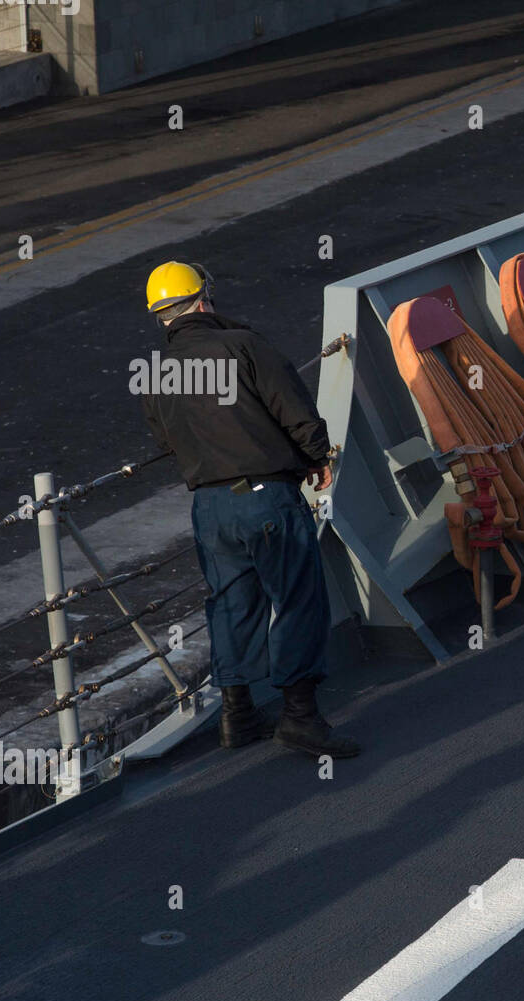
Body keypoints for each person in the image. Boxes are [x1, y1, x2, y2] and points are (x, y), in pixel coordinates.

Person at [137, 261, 359, 759]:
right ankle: (300, 718)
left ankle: (237, 718)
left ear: (162, 316)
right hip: (266, 498)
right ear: (203, 298)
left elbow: (168, 439)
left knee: (232, 606)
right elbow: (295, 410)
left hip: (211, 508)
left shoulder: (155, 372)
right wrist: (316, 457)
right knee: (299, 599)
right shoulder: (243, 345)